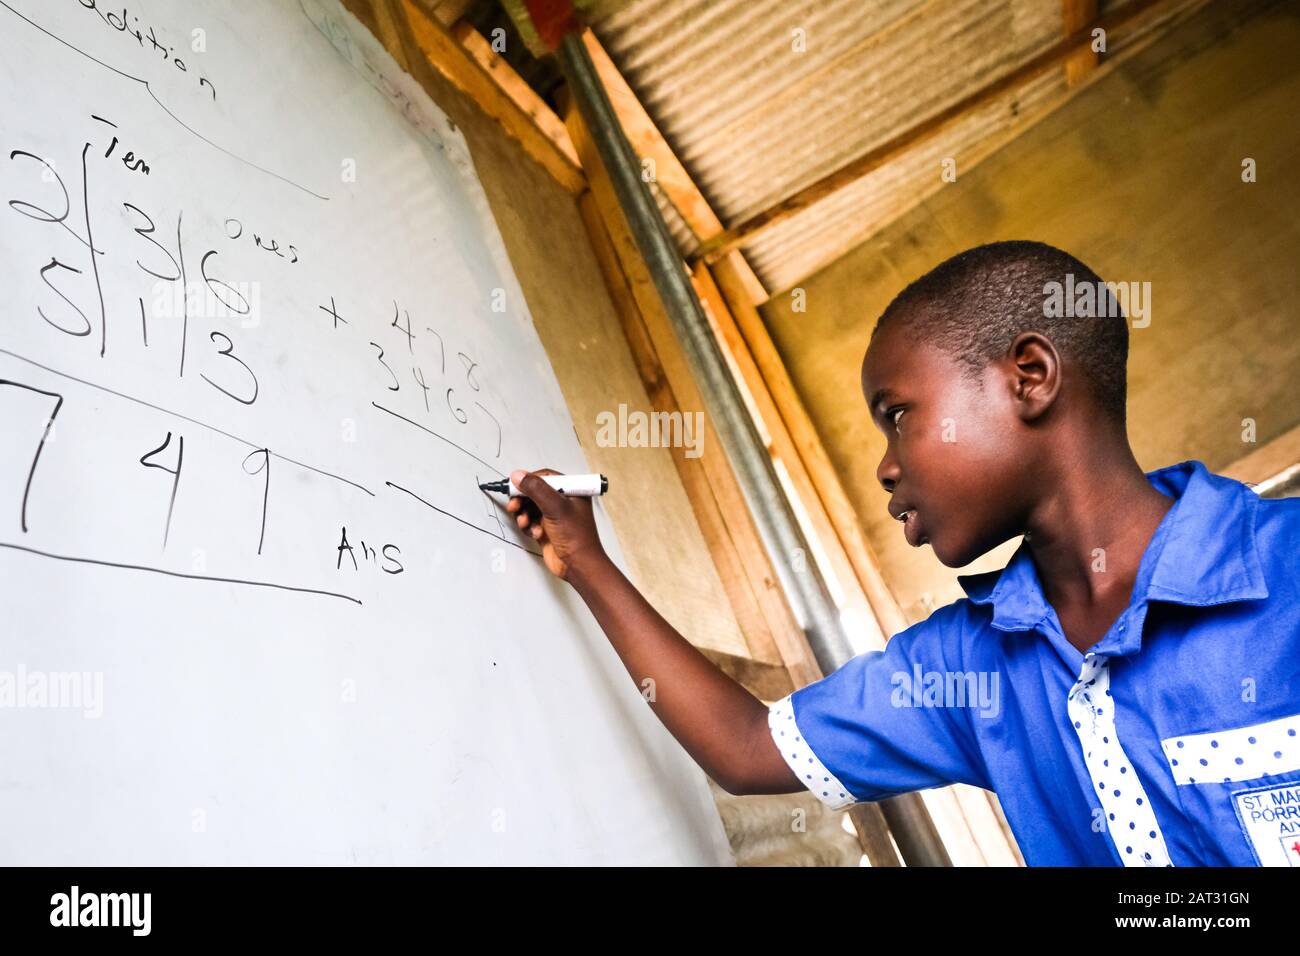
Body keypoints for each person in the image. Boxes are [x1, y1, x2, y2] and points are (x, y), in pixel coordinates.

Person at [503, 241, 1300, 866]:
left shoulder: (1286, 572)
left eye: (898, 414)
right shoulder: (969, 665)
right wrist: (589, 563)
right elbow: (749, 749)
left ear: (1029, 377)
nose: (886, 465)